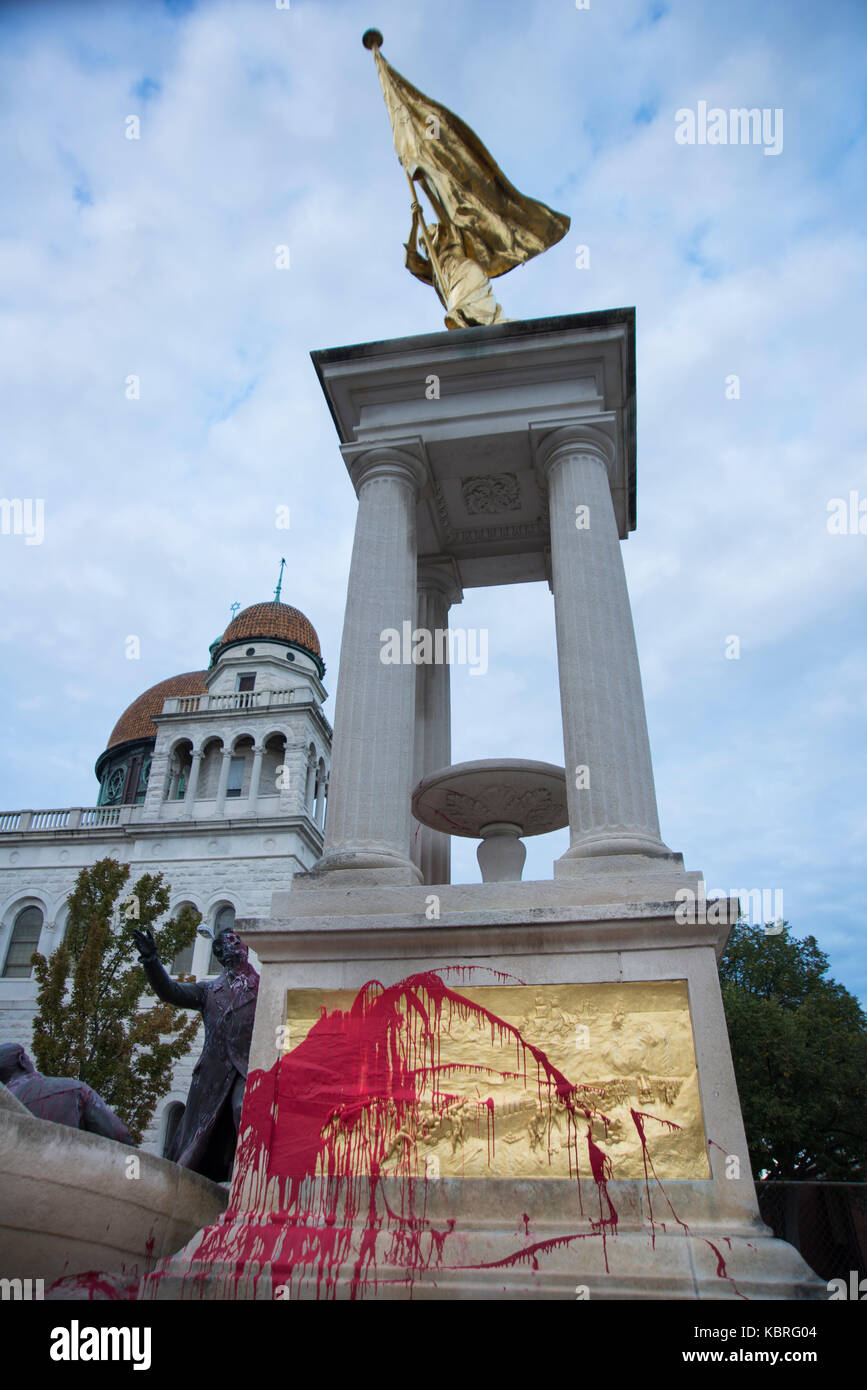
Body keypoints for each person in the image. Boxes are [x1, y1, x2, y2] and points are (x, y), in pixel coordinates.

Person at [131, 924, 259, 1181]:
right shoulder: (209, 991)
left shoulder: (264, 987)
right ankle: (187, 1181)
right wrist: (151, 961)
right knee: (198, 1139)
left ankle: (248, 1176)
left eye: (238, 939)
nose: (235, 944)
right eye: (228, 942)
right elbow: (170, 992)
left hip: (246, 1068)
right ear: (220, 954)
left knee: (244, 1108)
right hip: (212, 1076)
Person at [0, 1043, 133, 1144]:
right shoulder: (73, 1088)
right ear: (22, 1061)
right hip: (68, 1173)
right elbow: (119, 1136)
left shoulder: (5, 1104)